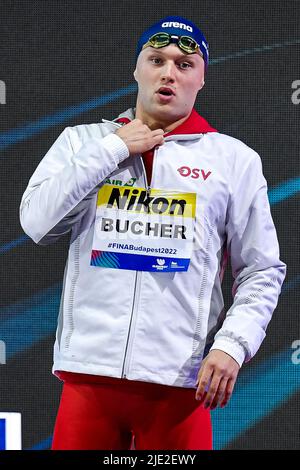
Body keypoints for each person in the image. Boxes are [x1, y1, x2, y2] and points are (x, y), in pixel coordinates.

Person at [20, 15, 286, 450]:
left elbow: (261, 269)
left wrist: (233, 346)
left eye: (184, 64)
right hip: (89, 379)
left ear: (202, 78)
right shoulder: (81, 142)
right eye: (156, 59)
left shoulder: (234, 160)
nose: (168, 72)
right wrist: (116, 147)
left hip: (180, 386)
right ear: (137, 68)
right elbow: (36, 223)